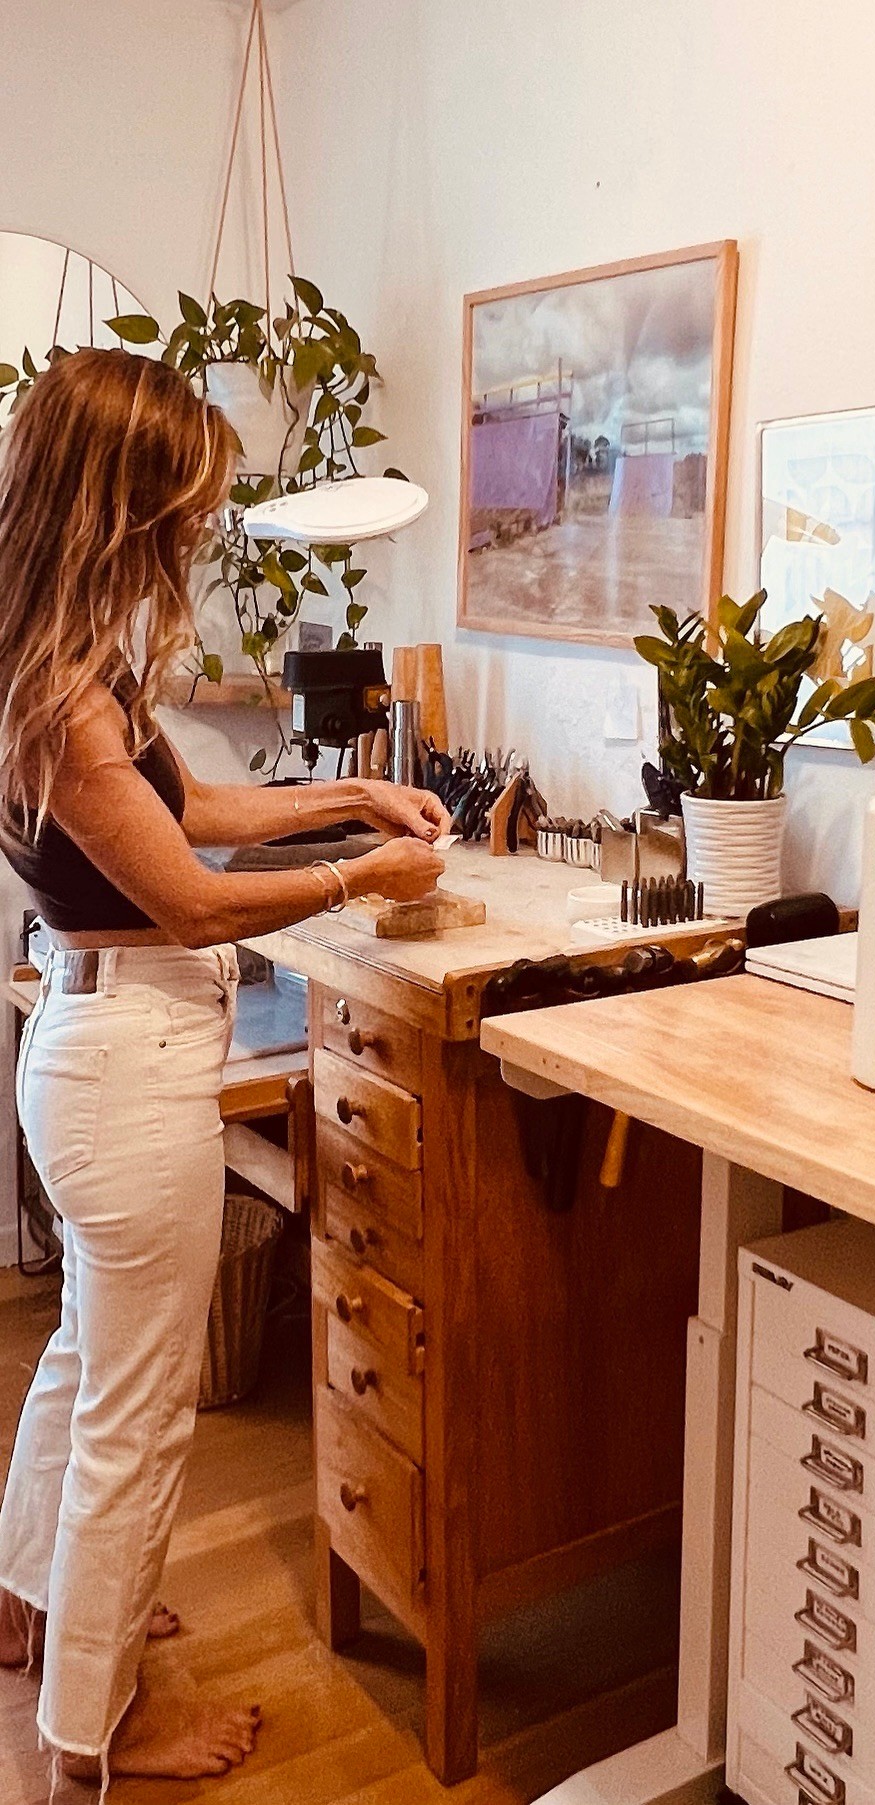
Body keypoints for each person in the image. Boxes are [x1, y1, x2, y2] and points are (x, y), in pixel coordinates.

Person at [0, 347, 446, 1792]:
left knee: (87, 1362)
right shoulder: (62, 691)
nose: (196, 528)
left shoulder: (63, 660)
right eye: (181, 501)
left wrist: (348, 794)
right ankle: (97, 1730)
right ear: (118, 500)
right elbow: (191, 900)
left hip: (97, 1048)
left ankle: (29, 1606)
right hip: (125, 1064)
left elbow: (192, 810)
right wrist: (362, 876)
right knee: (138, 1420)